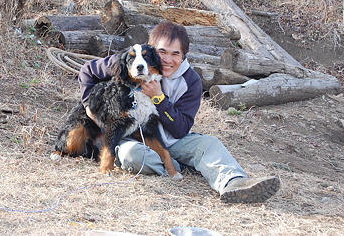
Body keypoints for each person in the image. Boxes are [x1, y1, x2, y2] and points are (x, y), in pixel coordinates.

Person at [78, 21, 280, 203]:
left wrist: (159, 98)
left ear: (184, 56)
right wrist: (89, 106)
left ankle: (234, 183)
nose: (167, 60)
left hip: (173, 139)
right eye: (162, 52)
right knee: (133, 155)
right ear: (151, 51)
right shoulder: (131, 61)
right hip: (136, 138)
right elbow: (87, 70)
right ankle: (179, 166)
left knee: (210, 144)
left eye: (176, 54)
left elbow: (181, 128)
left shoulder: (191, 81)